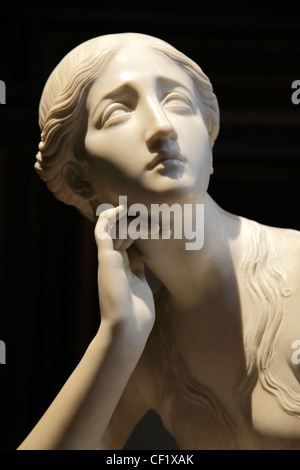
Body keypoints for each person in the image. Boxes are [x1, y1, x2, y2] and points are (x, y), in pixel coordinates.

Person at [18, 32, 300, 450]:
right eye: (117, 112)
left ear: (207, 133)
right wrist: (117, 339)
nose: (161, 127)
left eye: (177, 102)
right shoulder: (147, 356)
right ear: (80, 177)